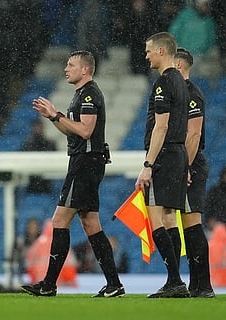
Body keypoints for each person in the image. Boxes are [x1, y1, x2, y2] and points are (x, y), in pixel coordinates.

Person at [21, 50, 124, 298]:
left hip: (85, 164)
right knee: (90, 224)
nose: (66, 68)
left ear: (85, 69)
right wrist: (52, 118)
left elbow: (86, 131)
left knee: (59, 221)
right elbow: (74, 132)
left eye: (71, 65)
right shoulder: (81, 94)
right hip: (87, 162)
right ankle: (114, 284)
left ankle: (48, 284)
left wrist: (57, 114)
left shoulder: (89, 94)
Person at [135, 32, 190, 298]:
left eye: (148, 51)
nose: (146, 56)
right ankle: (175, 282)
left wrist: (148, 164)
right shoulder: (181, 80)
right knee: (170, 218)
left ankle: (175, 280)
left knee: (154, 216)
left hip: (165, 156)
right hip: (178, 154)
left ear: (160, 51)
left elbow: (162, 125)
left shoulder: (163, 83)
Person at [171, 47, 215, 298]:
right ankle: (197, 285)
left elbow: (194, 134)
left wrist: (183, 166)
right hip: (184, 163)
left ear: (178, 66)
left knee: (192, 224)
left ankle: (203, 285)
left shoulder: (191, 94)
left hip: (191, 164)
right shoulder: (179, 94)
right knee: (188, 226)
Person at [20, 119, 57, 194]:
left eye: (39, 127)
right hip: (31, 181)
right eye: (36, 127)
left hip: (47, 181)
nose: (37, 129)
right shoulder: (27, 145)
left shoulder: (50, 144)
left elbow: (55, 162)